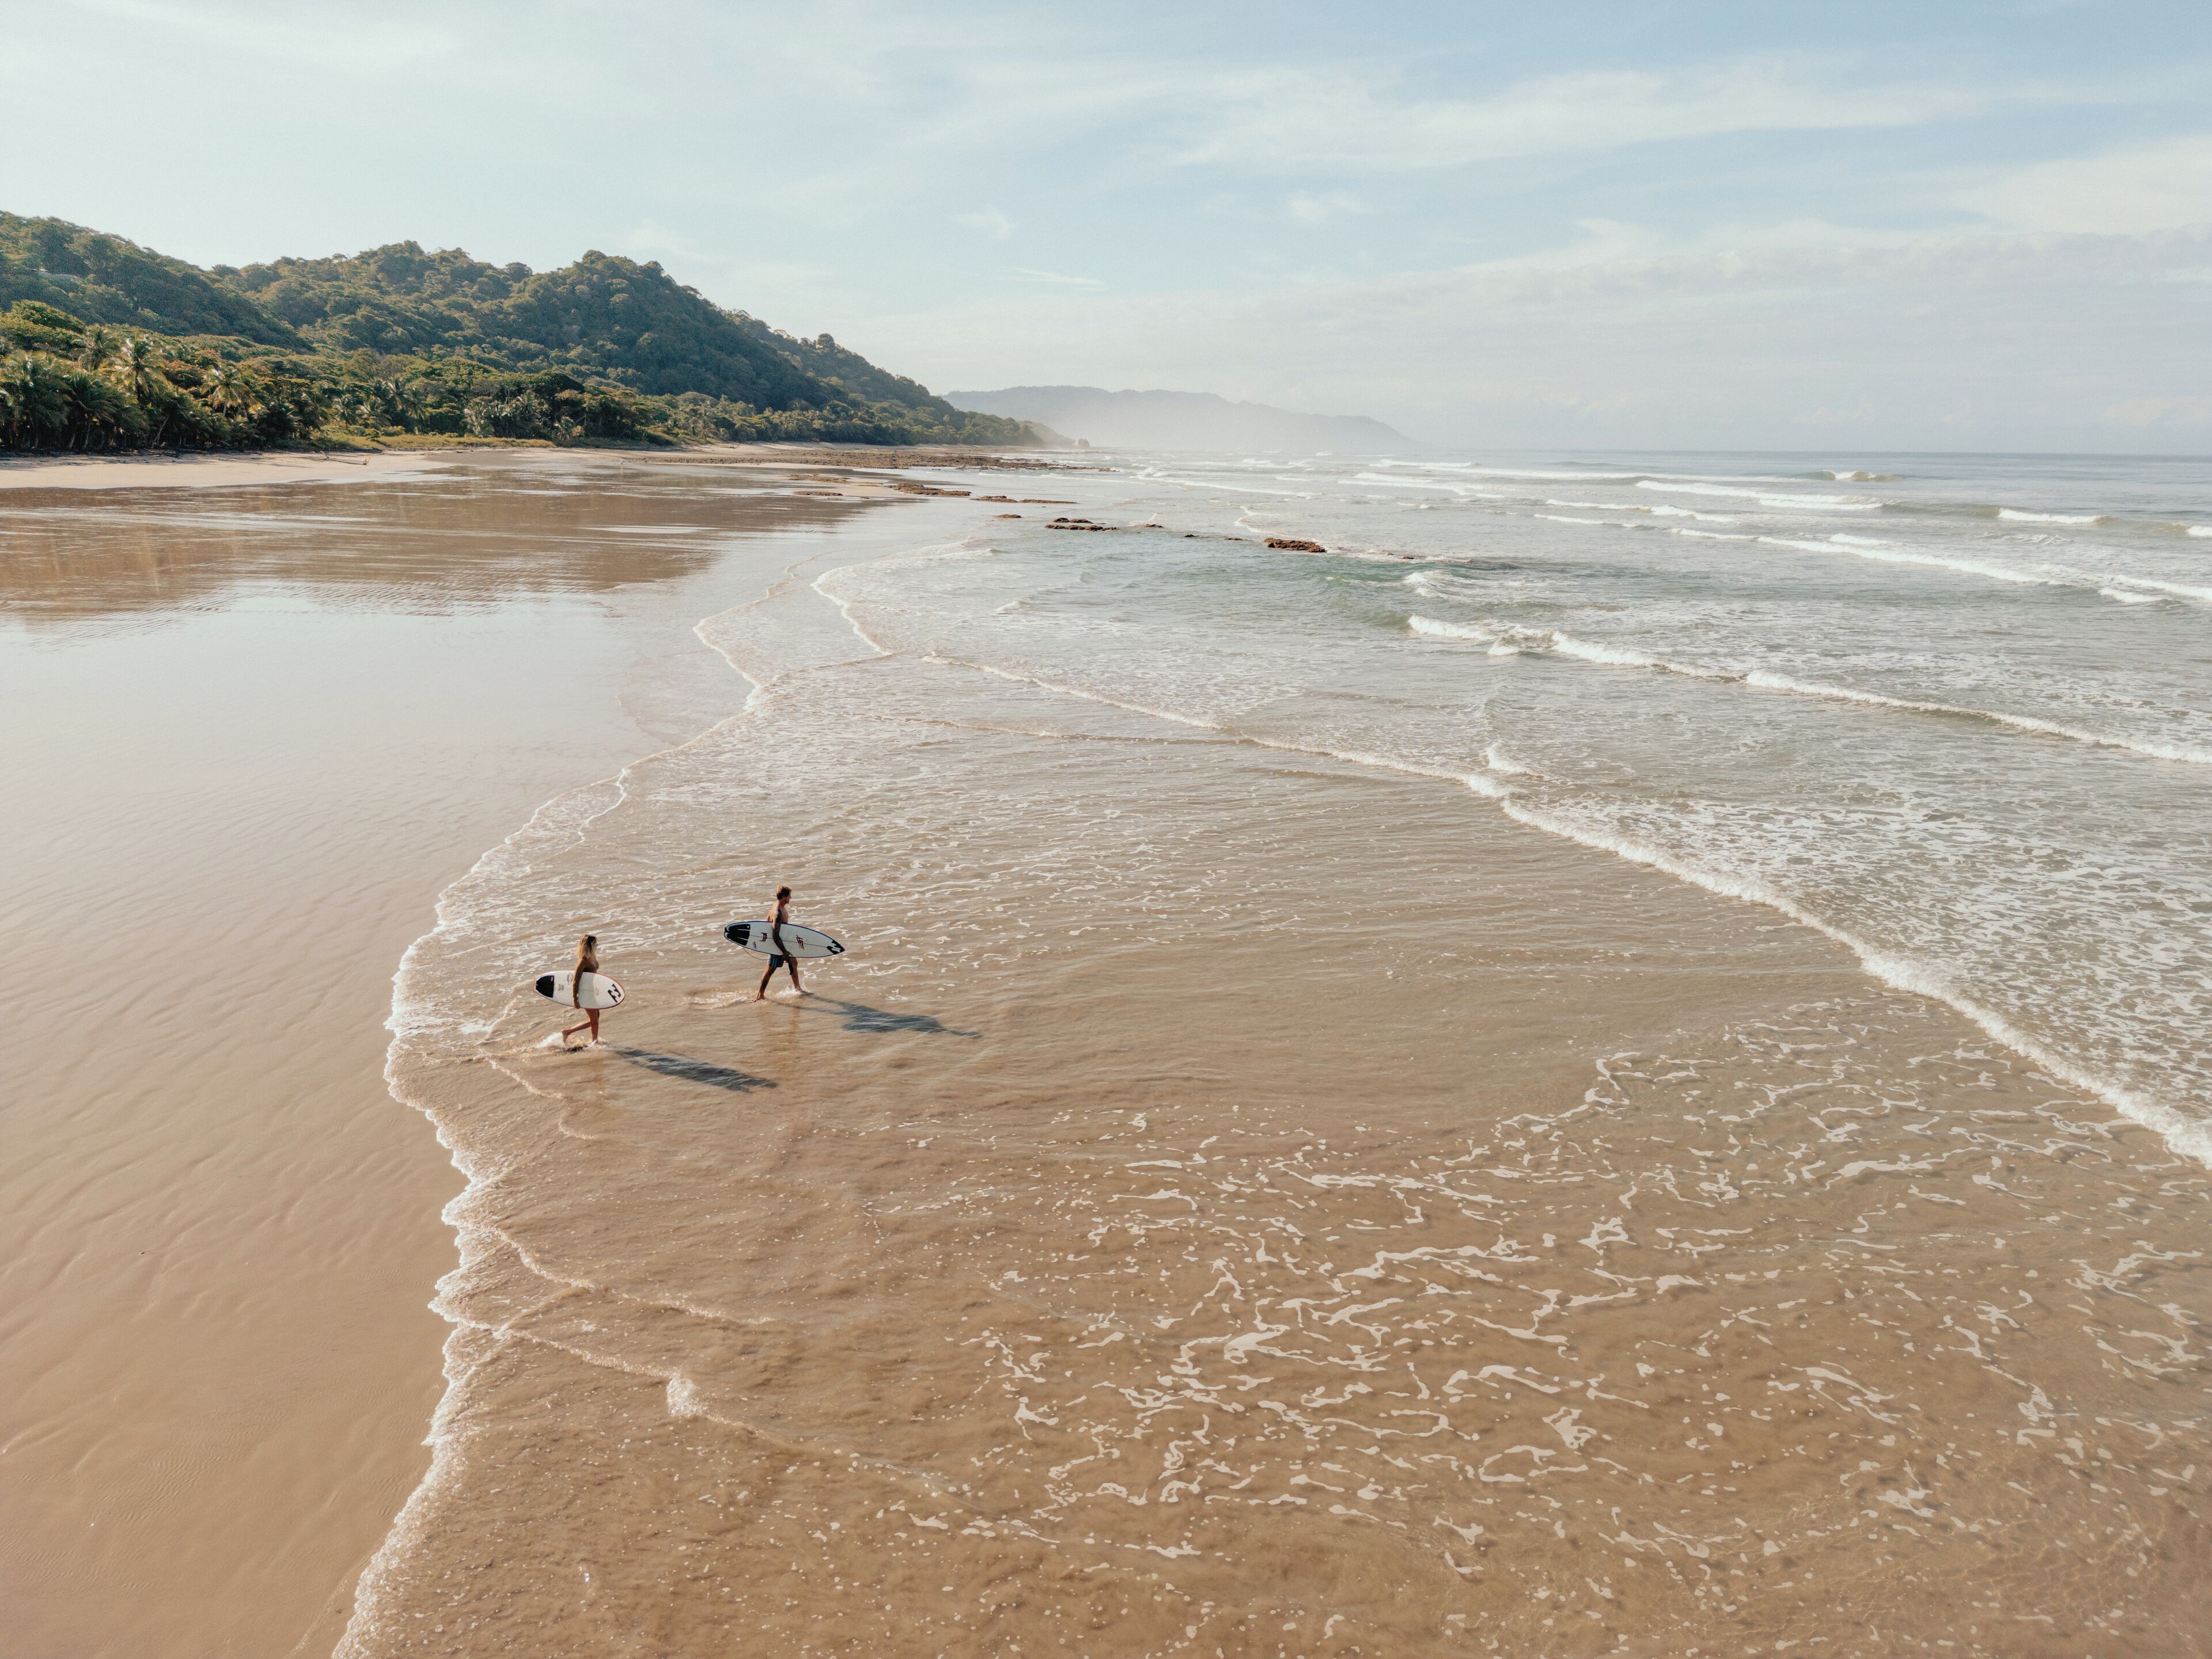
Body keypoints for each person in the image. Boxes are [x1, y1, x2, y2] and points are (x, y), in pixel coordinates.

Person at [756, 885, 805, 1001]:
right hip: (777, 945)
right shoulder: (778, 913)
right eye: (789, 896)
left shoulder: (777, 906)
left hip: (782, 942)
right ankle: (760, 995)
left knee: (793, 963)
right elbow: (775, 935)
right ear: (783, 897)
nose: (791, 898)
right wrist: (784, 952)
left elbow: (767, 919)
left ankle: (798, 989)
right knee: (770, 970)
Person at [561, 933, 605, 1047]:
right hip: (585, 993)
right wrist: (575, 999)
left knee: (596, 1019)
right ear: (590, 945)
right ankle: (595, 1042)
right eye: (596, 944)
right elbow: (575, 981)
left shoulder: (592, 958)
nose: (598, 945)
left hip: (592, 992)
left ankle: (568, 1032)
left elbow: (592, 976)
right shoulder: (583, 961)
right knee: (594, 1021)